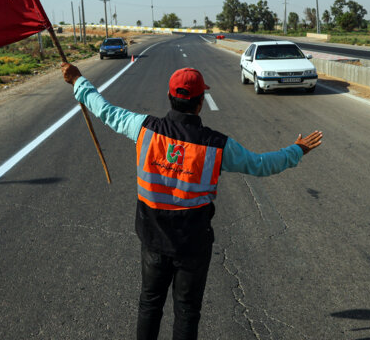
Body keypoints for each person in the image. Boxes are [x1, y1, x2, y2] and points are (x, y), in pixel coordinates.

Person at [62, 63, 323, 340]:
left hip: (153, 241)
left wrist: (78, 80)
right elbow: (260, 164)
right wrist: (296, 150)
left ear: (169, 96)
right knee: (186, 312)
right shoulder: (216, 145)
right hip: (193, 245)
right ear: (200, 103)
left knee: (149, 305)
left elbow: (106, 111)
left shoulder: (143, 128)